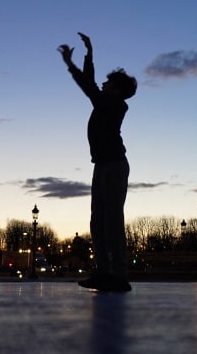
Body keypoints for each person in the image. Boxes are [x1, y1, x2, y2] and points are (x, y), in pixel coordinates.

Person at [59, 32, 137, 292]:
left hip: (113, 165)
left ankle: (118, 274)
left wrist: (74, 63)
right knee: (98, 220)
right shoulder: (107, 102)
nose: (103, 84)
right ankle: (105, 271)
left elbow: (89, 86)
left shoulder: (114, 105)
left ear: (116, 89)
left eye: (108, 82)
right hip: (103, 164)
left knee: (111, 220)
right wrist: (86, 56)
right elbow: (91, 84)